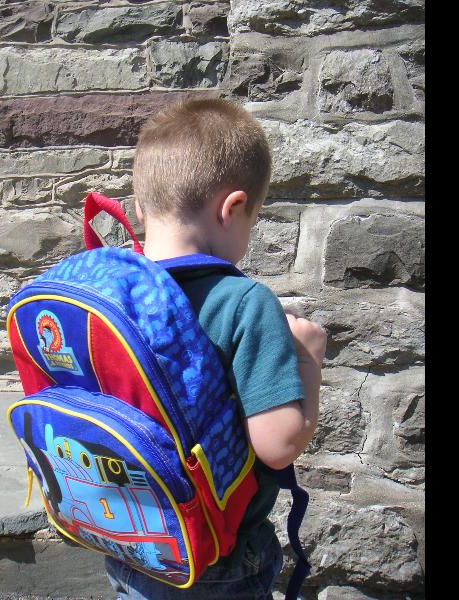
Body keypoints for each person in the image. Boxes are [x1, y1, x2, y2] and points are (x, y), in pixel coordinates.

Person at [104, 98, 327, 600]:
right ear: (232, 208)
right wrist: (308, 360)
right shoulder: (243, 303)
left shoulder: (111, 294)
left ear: (139, 207)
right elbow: (278, 445)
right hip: (215, 559)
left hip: (130, 541)